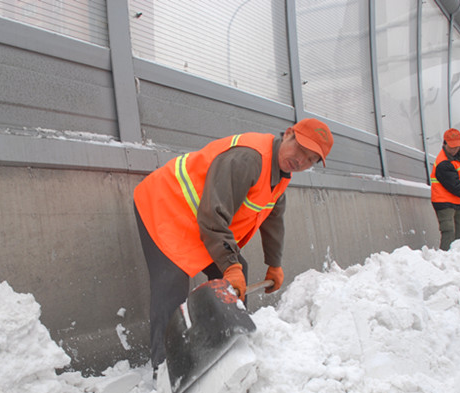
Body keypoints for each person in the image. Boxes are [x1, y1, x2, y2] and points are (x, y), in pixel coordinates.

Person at [133, 118, 334, 373]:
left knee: (238, 272)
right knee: (171, 283)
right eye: (300, 150)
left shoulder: (280, 173)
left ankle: (228, 343)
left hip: (197, 220)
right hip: (165, 205)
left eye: (310, 160)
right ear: (289, 135)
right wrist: (230, 265)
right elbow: (213, 217)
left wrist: (274, 263)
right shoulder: (248, 159)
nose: (300, 160)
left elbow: (273, 218)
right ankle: (165, 369)